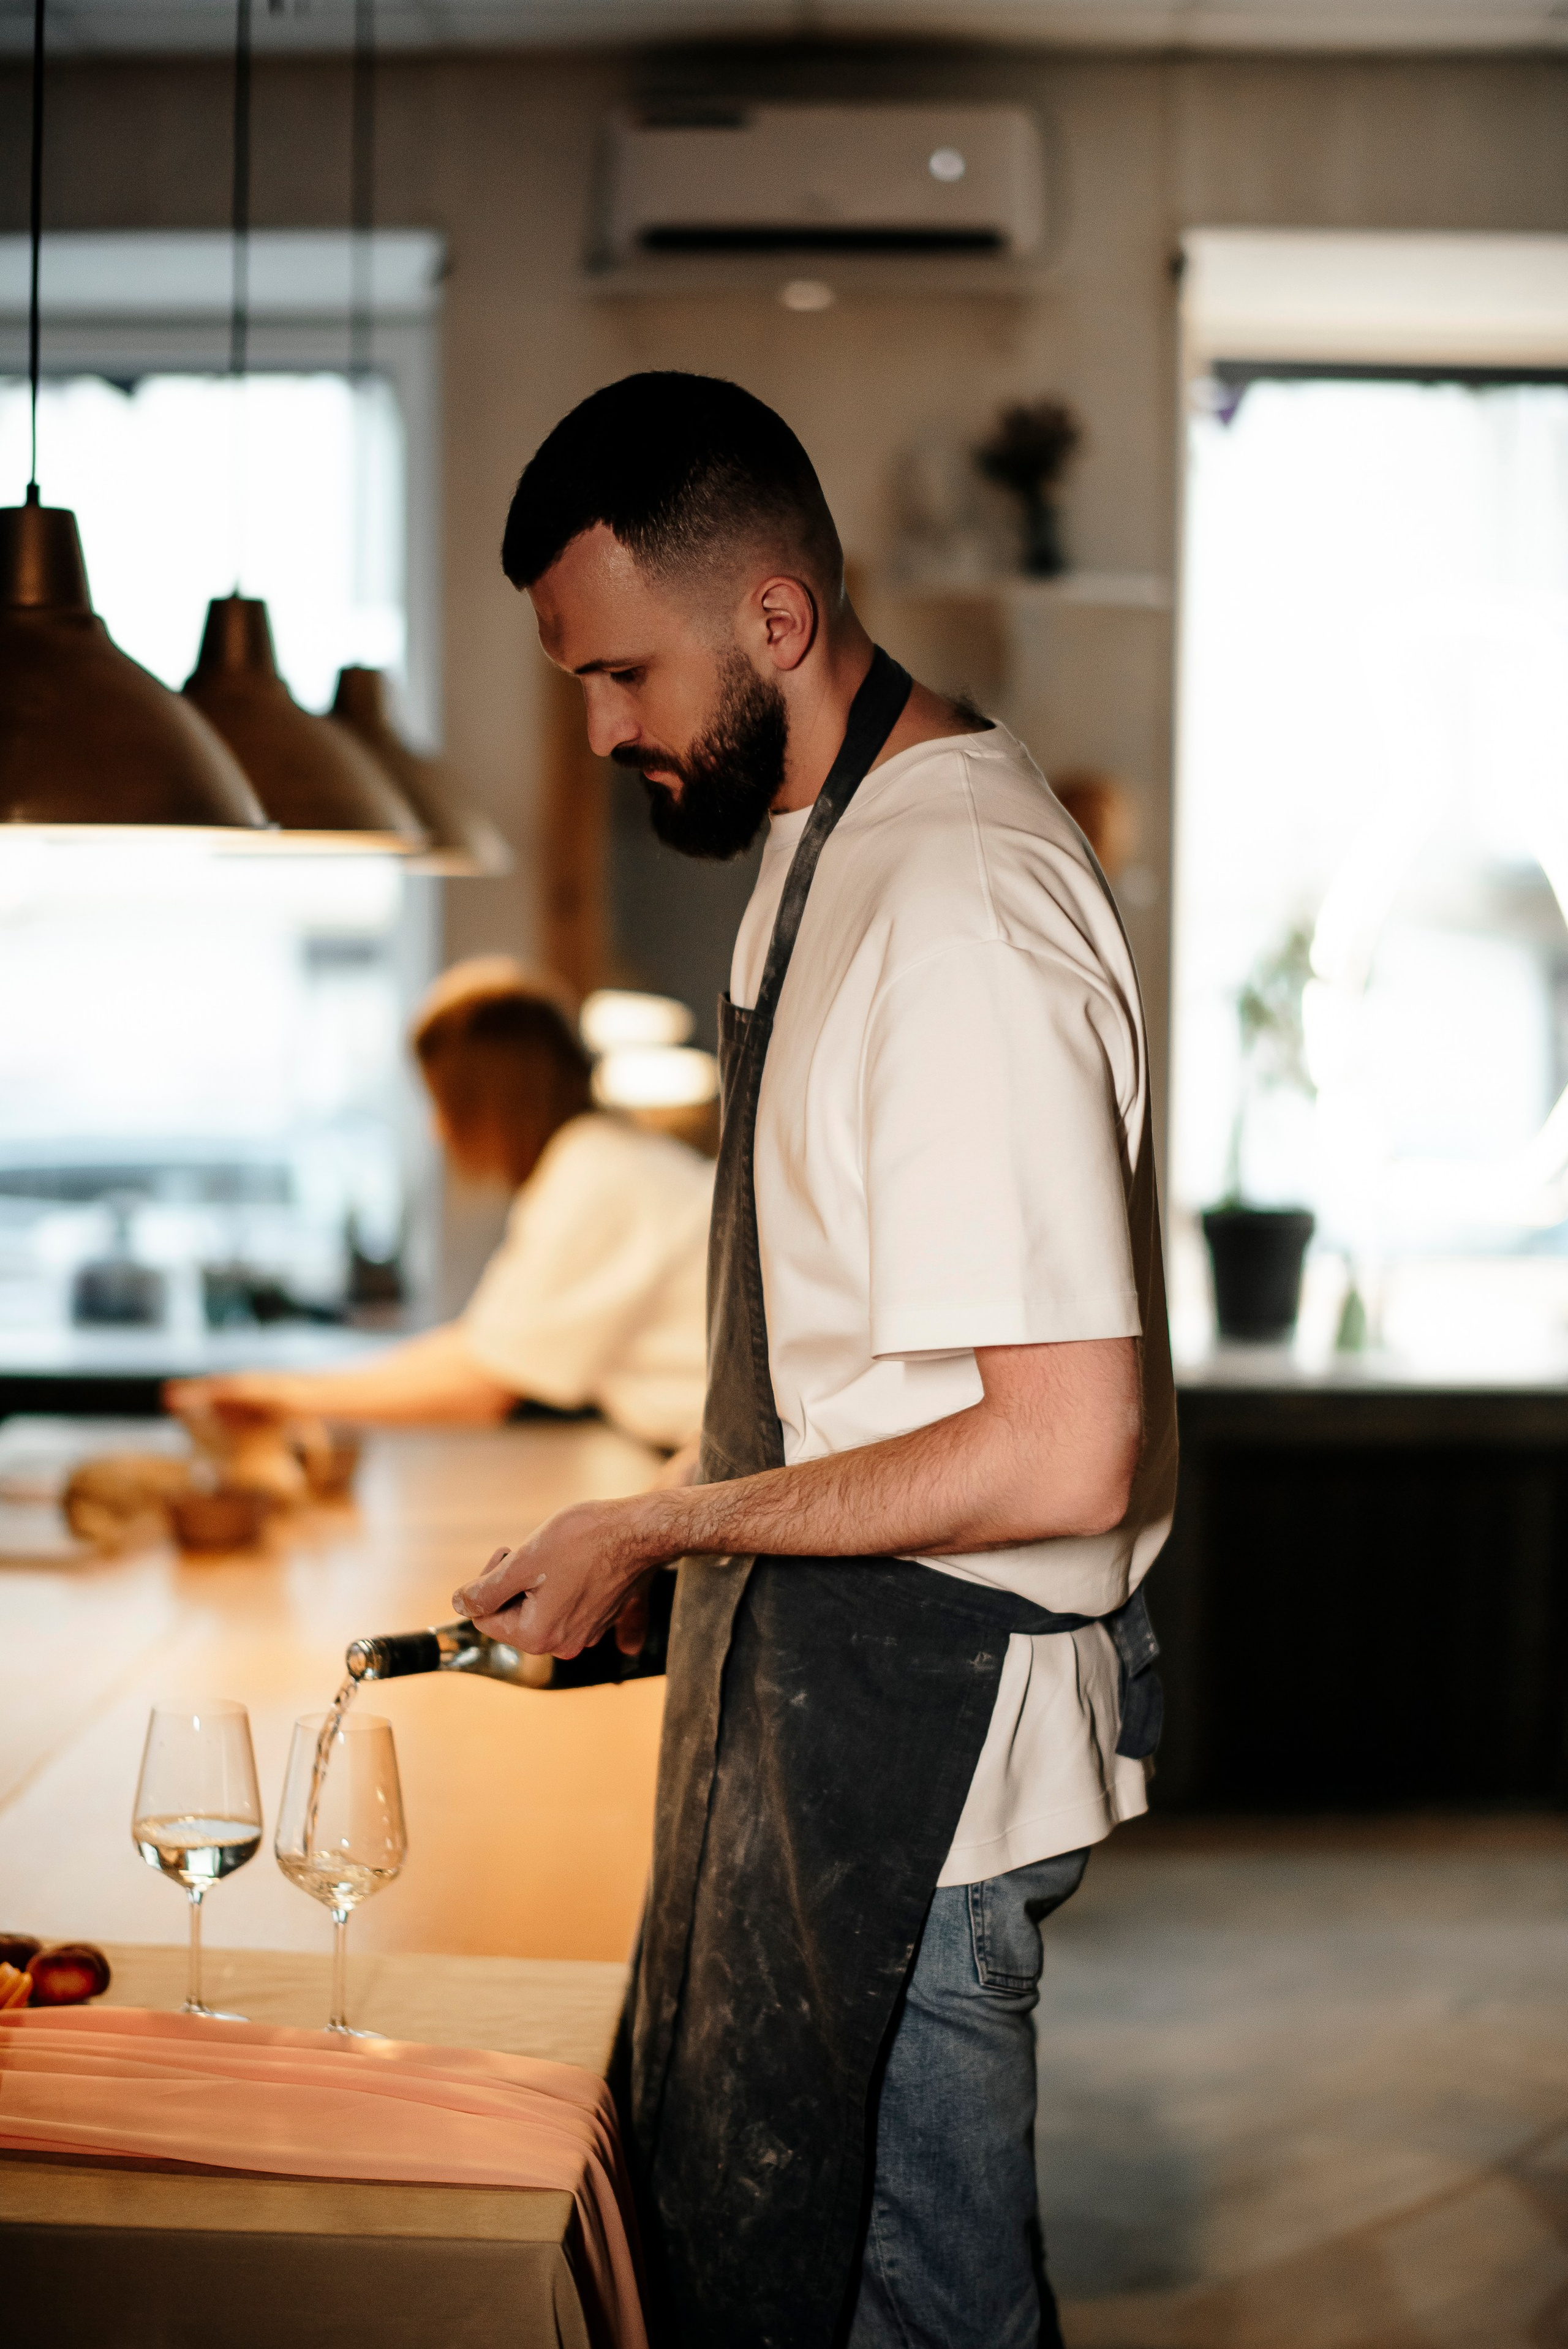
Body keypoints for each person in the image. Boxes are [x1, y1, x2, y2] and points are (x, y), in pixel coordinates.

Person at [453, 374, 1178, 2349]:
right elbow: (860, 1370)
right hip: (821, 1708)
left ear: (774, 619)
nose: (599, 730)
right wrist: (675, 1585)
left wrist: (663, 1522)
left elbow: (1056, 1451)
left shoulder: (959, 903)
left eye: (623, 676)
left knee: (922, 2322)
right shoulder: (815, 838)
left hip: (921, 1777)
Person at [168, 957, 712, 1453]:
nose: (436, 1129)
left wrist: (291, 1398)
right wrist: (287, 1391)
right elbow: (483, 1346)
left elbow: (481, 1386)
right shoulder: (599, 1161)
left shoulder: (596, 1177)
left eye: (440, 1101)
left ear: (488, 1095)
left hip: (696, 1457)